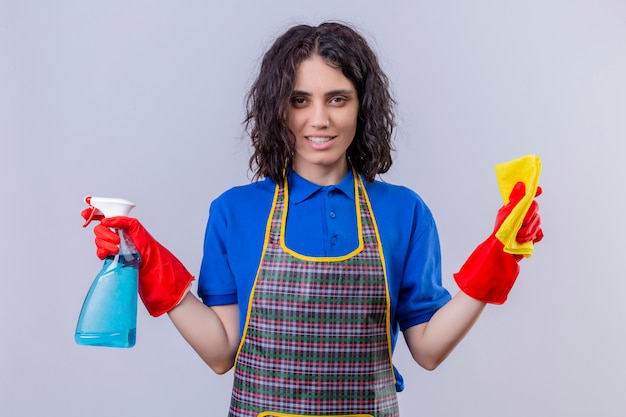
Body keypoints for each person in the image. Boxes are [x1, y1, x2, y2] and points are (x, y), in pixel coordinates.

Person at [84, 21, 543, 417]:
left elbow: (428, 349)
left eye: (337, 99)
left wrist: (498, 258)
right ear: (277, 107)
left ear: (363, 106)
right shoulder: (235, 211)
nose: (319, 119)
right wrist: (148, 262)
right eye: (300, 100)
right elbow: (222, 352)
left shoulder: (404, 211)